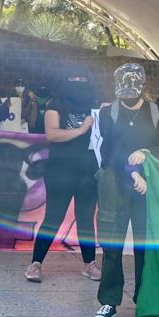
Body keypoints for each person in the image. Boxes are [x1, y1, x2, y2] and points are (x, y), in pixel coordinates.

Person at [92, 63, 159, 317]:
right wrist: (132, 171)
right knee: (112, 243)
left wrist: (147, 154)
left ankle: (145, 301)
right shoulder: (108, 113)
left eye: (133, 89)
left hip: (146, 187)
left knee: (145, 244)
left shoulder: (155, 114)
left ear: (141, 87)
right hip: (117, 185)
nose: (128, 96)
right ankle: (109, 301)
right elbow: (109, 153)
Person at [25, 68, 100, 282]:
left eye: (82, 77)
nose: (78, 81)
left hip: (88, 171)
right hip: (60, 171)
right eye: (73, 78)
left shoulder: (95, 106)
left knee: (86, 219)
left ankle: (90, 264)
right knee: (53, 217)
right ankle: (35, 264)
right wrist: (81, 129)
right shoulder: (54, 106)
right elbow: (52, 134)